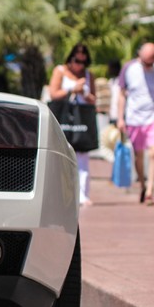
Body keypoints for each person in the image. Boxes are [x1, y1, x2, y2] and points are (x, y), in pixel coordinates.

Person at [117, 43, 154, 206]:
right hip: (135, 118)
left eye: (151, 62)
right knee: (139, 155)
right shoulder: (129, 68)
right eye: (146, 62)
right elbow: (122, 94)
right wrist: (120, 118)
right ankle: (143, 186)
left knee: (153, 152)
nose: (148, 65)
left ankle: (150, 192)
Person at [49, 43, 97, 206]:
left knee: (83, 156)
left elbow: (94, 100)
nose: (80, 65)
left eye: (84, 62)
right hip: (64, 118)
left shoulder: (89, 75)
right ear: (70, 59)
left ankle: (83, 194)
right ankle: (59, 194)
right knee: (60, 154)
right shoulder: (60, 71)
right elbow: (53, 94)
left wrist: (84, 92)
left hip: (82, 120)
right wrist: (72, 90)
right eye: (77, 61)